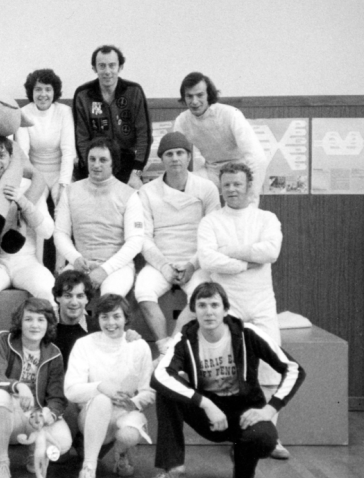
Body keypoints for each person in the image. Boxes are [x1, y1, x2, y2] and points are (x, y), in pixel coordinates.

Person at [146, 282, 305, 478]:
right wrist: (206, 404)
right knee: (168, 391)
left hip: (245, 414)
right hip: (209, 416)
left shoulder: (247, 333)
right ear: (194, 310)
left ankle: (242, 460)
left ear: (225, 309)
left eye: (215, 305)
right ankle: (173, 469)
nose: (209, 312)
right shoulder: (185, 339)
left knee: (265, 440)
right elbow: (159, 376)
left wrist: (269, 409)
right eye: (202, 305)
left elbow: (294, 369)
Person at [197, 161, 290, 459]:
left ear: (250, 187)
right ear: (221, 188)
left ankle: (269, 436)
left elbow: (270, 252)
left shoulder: (266, 218)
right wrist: (247, 261)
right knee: (236, 376)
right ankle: (241, 438)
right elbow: (209, 261)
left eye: (238, 184)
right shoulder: (211, 222)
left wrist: (229, 253)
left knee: (271, 371)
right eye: (227, 185)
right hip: (230, 308)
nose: (232, 189)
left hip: (262, 305)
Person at [135, 132, 221, 356]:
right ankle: (162, 344)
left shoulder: (207, 189)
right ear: (162, 159)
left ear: (188, 157)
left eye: (180, 153)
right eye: (169, 154)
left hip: (196, 261)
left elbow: (213, 235)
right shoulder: (147, 192)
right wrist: (163, 266)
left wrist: (192, 265)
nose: (175, 158)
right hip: (160, 262)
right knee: (143, 291)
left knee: (202, 298)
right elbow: (144, 236)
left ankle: (174, 346)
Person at [65, 294, 154, 478]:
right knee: (102, 400)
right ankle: (88, 468)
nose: (111, 322)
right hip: (92, 414)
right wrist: (100, 387)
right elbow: (71, 390)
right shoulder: (84, 344)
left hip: (125, 413)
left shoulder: (139, 346)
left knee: (129, 434)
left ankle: (121, 453)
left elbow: (148, 391)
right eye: (104, 317)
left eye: (116, 316)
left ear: (126, 318)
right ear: (97, 319)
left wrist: (133, 403)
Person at [0, 298, 72, 478]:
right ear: (20, 322)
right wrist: (19, 386)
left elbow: (57, 398)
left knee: (63, 443)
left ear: (48, 323)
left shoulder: (54, 353)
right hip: (10, 412)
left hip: (36, 415)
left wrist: (48, 414)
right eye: (28, 319)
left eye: (41, 320)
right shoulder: (4, 340)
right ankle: (2, 463)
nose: (35, 325)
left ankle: (35, 452)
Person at [0, 136, 56, 329]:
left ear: (12, 157)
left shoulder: (27, 185)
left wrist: (24, 202)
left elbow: (47, 231)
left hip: (26, 260)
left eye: (2, 156)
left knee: (48, 289)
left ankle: (49, 352)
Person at [54, 137, 145, 298]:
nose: (96, 165)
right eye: (92, 159)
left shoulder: (129, 195)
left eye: (103, 160)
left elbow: (135, 241)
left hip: (118, 268)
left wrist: (105, 270)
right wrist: (75, 259)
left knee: (109, 300)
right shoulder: (70, 192)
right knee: (60, 298)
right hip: (81, 265)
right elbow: (60, 233)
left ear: (113, 163)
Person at [173, 72, 267, 204]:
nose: (194, 102)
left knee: (243, 211)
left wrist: (251, 197)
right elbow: (175, 156)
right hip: (211, 171)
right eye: (189, 96)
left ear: (208, 95)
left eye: (199, 95)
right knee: (179, 188)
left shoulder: (230, 114)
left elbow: (258, 158)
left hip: (239, 169)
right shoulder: (182, 121)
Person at [72, 45, 151, 187]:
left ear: (120, 67)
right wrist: (91, 167)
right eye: (102, 66)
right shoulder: (83, 95)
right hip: (96, 160)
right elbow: (81, 139)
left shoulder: (134, 92)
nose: (107, 71)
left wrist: (136, 170)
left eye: (112, 65)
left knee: (134, 192)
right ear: (94, 69)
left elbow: (144, 135)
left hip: (125, 160)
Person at [15, 68, 75, 206]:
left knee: (64, 207)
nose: (43, 94)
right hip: (35, 175)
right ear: (31, 92)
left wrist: (64, 183)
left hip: (60, 173)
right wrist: (32, 181)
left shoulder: (64, 112)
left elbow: (68, 151)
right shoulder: (23, 113)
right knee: (37, 212)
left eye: (48, 89)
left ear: (55, 92)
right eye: (38, 89)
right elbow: (23, 153)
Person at [51, 270, 99, 369]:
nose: (74, 302)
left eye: (80, 296)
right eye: (68, 296)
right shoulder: (46, 327)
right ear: (57, 297)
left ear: (87, 299)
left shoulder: (98, 328)